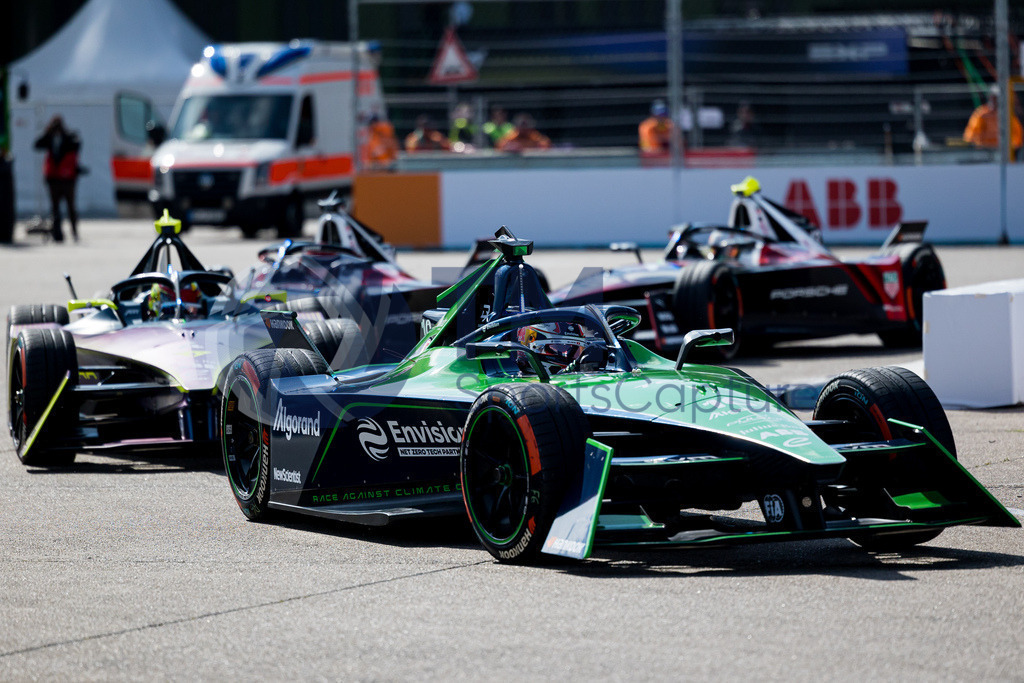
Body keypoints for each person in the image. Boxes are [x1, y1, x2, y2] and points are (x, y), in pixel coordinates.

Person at [33, 115, 82, 242]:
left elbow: (77, 144)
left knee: (71, 207)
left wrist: (64, 133)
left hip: (67, 180)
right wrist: (48, 132)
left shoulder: (69, 138)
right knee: (55, 208)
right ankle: (57, 233)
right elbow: (37, 144)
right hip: (54, 179)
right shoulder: (50, 138)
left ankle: (74, 231)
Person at [963, 86, 1023, 153]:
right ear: (990, 98)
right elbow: (971, 135)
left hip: (1003, 151)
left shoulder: (1007, 115)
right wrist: (981, 144)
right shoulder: (981, 114)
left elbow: (1017, 136)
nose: (995, 102)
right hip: (985, 151)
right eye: (993, 99)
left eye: (997, 99)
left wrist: (1011, 146)